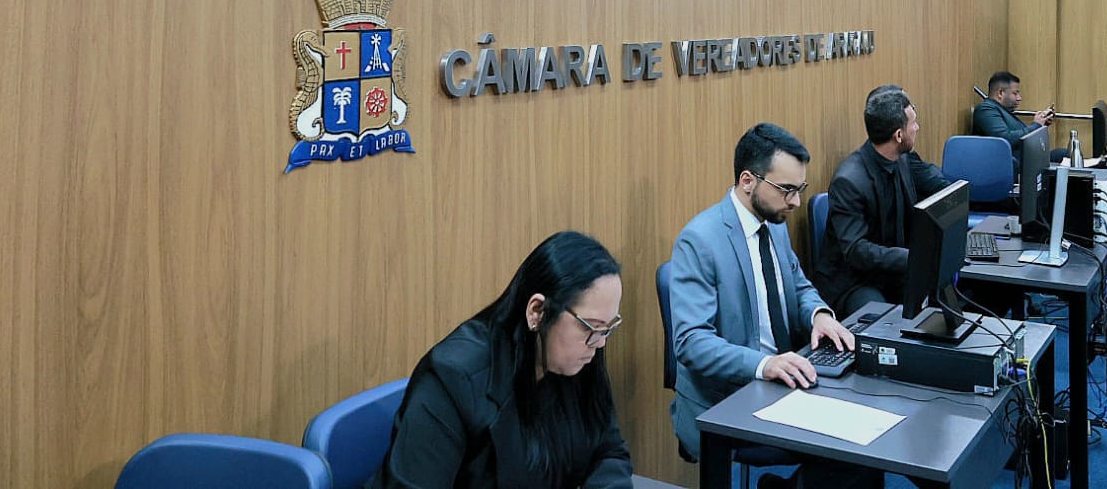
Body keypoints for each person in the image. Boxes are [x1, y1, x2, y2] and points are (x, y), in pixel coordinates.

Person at [668, 124, 874, 489]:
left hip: (787, 381)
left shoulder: (774, 223)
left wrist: (819, 315)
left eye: (800, 190)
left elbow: (798, 285)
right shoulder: (699, 240)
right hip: (729, 397)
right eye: (787, 190)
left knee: (867, 442)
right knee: (846, 456)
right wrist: (764, 365)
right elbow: (692, 342)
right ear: (748, 181)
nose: (796, 202)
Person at [369, 230, 632, 489]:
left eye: (608, 328)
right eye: (590, 326)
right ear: (537, 312)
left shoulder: (582, 358)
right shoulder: (453, 378)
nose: (600, 342)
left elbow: (609, 452)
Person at [813, 85, 952, 318]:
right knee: (883, 320)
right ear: (898, 135)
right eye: (913, 123)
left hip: (893, 271)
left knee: (941, 296)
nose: (917, 128)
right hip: (854, 281)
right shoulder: (849, 181)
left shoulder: (902, 158)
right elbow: (856, 250)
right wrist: (912, 258)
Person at [973, 69, 1057, 174]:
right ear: (1000, 93)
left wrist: (1042, 123)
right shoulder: (986, 110)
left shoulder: (1004, 111)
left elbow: (1022, 135)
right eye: (1015, 93)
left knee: (1061, 154)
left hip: (1027, 161)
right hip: (1008, 166)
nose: (1019, 98)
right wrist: (1036, 125)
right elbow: (1004, 139)